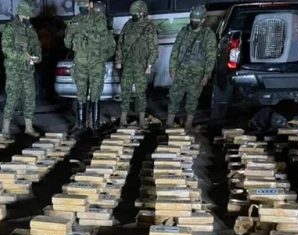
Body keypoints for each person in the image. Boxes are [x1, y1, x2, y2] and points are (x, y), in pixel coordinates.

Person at [65, 0, 115, 136]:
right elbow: (68, 44)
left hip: (95, 63)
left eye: (84, 5)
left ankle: (95, 127)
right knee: (81, 93)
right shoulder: (74, 21)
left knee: (95, 93)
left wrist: (84, 32)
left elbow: (103, 38)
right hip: (80, 62)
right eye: (80, 6)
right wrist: (70, 33)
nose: (83, 8)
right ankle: (81, 126)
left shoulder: (99, 19)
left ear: (91, 5)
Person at [167, 5, 216, 131]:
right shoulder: (183, 32)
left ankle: (188, 124)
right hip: (181, 71)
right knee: (174, 97)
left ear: (203, 20)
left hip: (197, 74)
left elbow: (211, 56)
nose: (194, 21)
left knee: (192, 100)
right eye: (192, 18)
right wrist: (172, 68)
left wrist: (206, 74)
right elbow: (175, 51)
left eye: (197, 19)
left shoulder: (208, 35)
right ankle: (169, 122)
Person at [2, 1, 42, 137]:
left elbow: (36, 45)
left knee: (30, 97)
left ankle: (29, 128)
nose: (28, 18)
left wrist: (37, 56)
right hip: (14, 69)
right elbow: (6, 49)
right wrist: (22, 57)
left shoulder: (30, 28)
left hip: (28, 70)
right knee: (12, 98)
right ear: (20, 13)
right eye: (26, 15)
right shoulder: (10, 28)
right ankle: (5, 129)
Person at [116, 0, 158, 128]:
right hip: (128, 64)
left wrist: (149, 65)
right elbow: (120, 43)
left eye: (135, 13)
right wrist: (119, 60)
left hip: (142, 65)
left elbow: (154, 48)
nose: (133, 15)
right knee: (125, 92)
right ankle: (123, 119)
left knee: (141, 93)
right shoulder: (128, 25)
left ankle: (141, 120)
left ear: (142, 13)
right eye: (132, 13)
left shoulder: (149, 27)